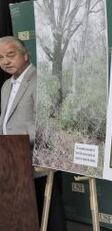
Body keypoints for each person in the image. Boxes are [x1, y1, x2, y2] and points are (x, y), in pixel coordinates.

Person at [0, 36, 66, 230]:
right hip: (11, 161)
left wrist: (18, 140)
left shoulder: (41, 81)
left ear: (26, 55)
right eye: (1, 57)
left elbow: (48, 122)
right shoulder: (6, 85)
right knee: (21, 216)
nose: (5, 61)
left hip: (37, 161)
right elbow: (5, 120)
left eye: (10, 55)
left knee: (48, 215)